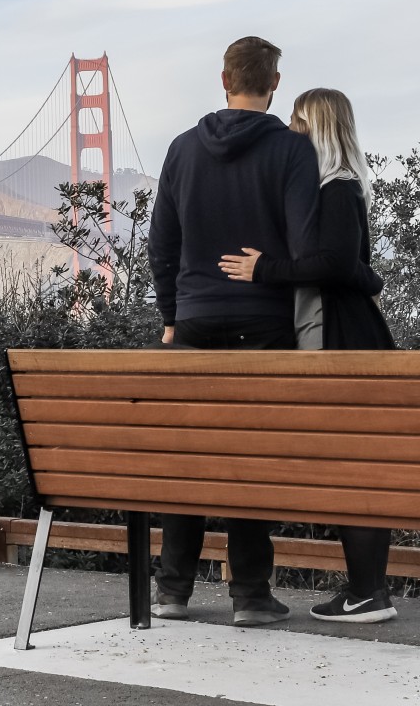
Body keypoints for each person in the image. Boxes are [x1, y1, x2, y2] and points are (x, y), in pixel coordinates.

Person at [146, 35, 320, 627]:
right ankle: (250, 594)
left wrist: (172, 316)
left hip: (192, 323)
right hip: (264, 326)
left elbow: (161, 244)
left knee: (188, 459)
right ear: (274, 85)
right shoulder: (292, 151)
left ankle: (172, 591)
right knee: (249, 458)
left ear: (223, 81)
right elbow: (305, 245)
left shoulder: (181, 149)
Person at [220, 87, 399, 624]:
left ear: (316, 127)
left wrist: (265, 269)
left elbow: (338, 263)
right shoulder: (334, 189)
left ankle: (368, 592)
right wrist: (370, 275)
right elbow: (356, 269)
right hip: (352, 334)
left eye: (298, 123)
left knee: (354, 469)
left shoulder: (337, 189)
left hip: (346, 341)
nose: (291, 132)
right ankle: (367, 590)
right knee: (353, 468)